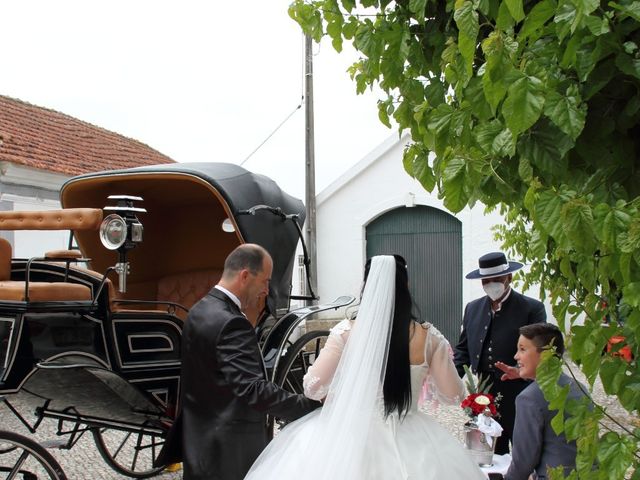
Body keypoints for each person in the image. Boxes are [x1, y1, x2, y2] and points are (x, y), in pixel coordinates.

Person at [244, 255, 486, 479]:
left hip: (350, 435)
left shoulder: (346, 332)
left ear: (366, 287)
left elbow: (312, 387)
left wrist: (338, 392)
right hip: (411, 430)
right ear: (406, 287)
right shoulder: (429, 337)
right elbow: (453, 394)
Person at [167, 244, 321, 480]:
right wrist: (309, 405)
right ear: (245, 276)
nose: (266, 290)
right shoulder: (232, 323)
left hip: (198, 443)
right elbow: (254, 389)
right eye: (265, 281)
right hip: (229, 452)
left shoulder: (199, 310)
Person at [454, 251, 546, 454]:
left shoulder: (531, 308)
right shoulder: (472, 308)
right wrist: (449, 377)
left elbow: (542, 353)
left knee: (525, 448)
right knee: (489, 450)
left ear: (509, 277)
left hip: (520, 390)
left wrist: (519, 371)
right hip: (484, 393)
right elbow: (463, 350)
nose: (491, 284)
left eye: (497, 279)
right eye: (486, 280)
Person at [504, 323, 587, 480]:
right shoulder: (579, 387)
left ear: (545, 355)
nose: (516, 356)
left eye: (522, 349)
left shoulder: (529, 398)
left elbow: (523, 462)